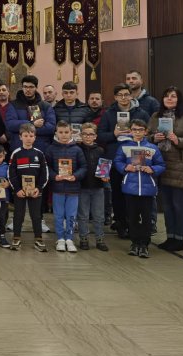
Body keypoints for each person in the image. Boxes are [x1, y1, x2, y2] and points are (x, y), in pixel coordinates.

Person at [148, 86, 183, 251]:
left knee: (179, 206)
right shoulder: (156, 116)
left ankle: (181, 240)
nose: (169, 99)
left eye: (173, 96)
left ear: (179, 99)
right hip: (162, 165)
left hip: (181, 167)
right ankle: (171, 237)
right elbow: (146, 137)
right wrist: (154, 138)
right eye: (166, 96)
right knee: (167, 206)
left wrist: (178, 140)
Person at [97, 83, 151, 239]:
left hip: (136, 157)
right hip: (116, 157)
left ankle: (134, 224)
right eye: (120, 95)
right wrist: (113, 134)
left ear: (131, 95)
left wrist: (138, 135)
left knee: (134, 193)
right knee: (117, 193)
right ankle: (121, 223)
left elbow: (149, 133)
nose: (123, 98)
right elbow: (100, 135)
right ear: (115, 97)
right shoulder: (108, 113)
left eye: (126, 94)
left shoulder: (141, 113)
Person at [113, 119, 165, 258]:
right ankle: (135, 243)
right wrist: (126, 167)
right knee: (132, 217)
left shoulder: (152, 148)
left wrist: (152, 169)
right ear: (130, 131)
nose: (137, 132)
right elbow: (117, 161)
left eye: (140, 130)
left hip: (148, 189)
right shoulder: (124, 147)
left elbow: (161, 165)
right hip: (130, 188)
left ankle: (144, 245)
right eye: (135, 129)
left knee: (147, 218)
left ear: (145, 131)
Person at [46, 121, 87, 253]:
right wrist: (54, 176)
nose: (63, 135)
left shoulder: (77, 149)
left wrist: (75, 176)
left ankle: (69, 239)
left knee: (71, 215)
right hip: (58, 189)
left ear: (71, 133)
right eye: (61, 132)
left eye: (66, 132)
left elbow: (84, 167)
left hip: (73, 189)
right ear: (56, 133)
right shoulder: (51, 149)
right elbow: (47, 167)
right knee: (58, 215)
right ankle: (60, 239)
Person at [8, 123, 49, 252]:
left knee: (36, 215)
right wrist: (17, 189)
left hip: (35, 191)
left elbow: (44, 173)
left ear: (35, 137)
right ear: (20, 137)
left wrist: (39, 188)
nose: (28, 138)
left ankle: (38, 239)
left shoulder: (39, 154)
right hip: (20, 191)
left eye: (31, 136)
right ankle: (16, 238)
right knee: (18, 215)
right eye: (25, 136)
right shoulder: (16, 153)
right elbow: (11, 173)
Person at [77, 122, 109, 251]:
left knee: (99, 215)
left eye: (90, 134)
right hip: (82, 186)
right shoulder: (77, 149)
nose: (88, 136)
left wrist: (105, 177)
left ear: (95, 136)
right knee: (83, 215)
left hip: (98, 187)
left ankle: (100, 239)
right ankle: (83, 238)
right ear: (81, 135)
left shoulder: (100, 150)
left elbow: (104, 169)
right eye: (85, 134)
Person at [4, 75, 56, 153]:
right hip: (19, 148)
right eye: (25, 87)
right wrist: (32, 124)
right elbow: (10, 124)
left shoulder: (45, 106)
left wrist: (25, 131)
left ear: (36, 87)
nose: (28, 89)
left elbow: (51, 128)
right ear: (22, 87)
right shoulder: (13, 105)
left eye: (31, 87)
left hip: (41, 149)